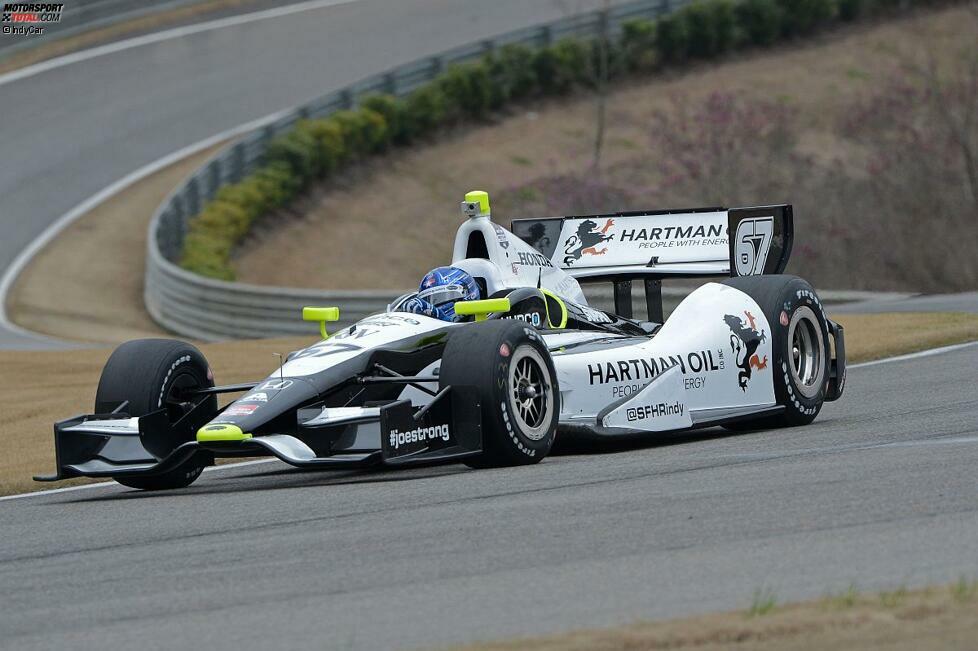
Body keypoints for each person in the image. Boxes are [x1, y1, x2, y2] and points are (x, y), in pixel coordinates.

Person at [391, 266, 481, 322]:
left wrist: (442, 318)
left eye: (440, 297)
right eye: (427, 300)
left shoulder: (487, 325)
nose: (431, 307)